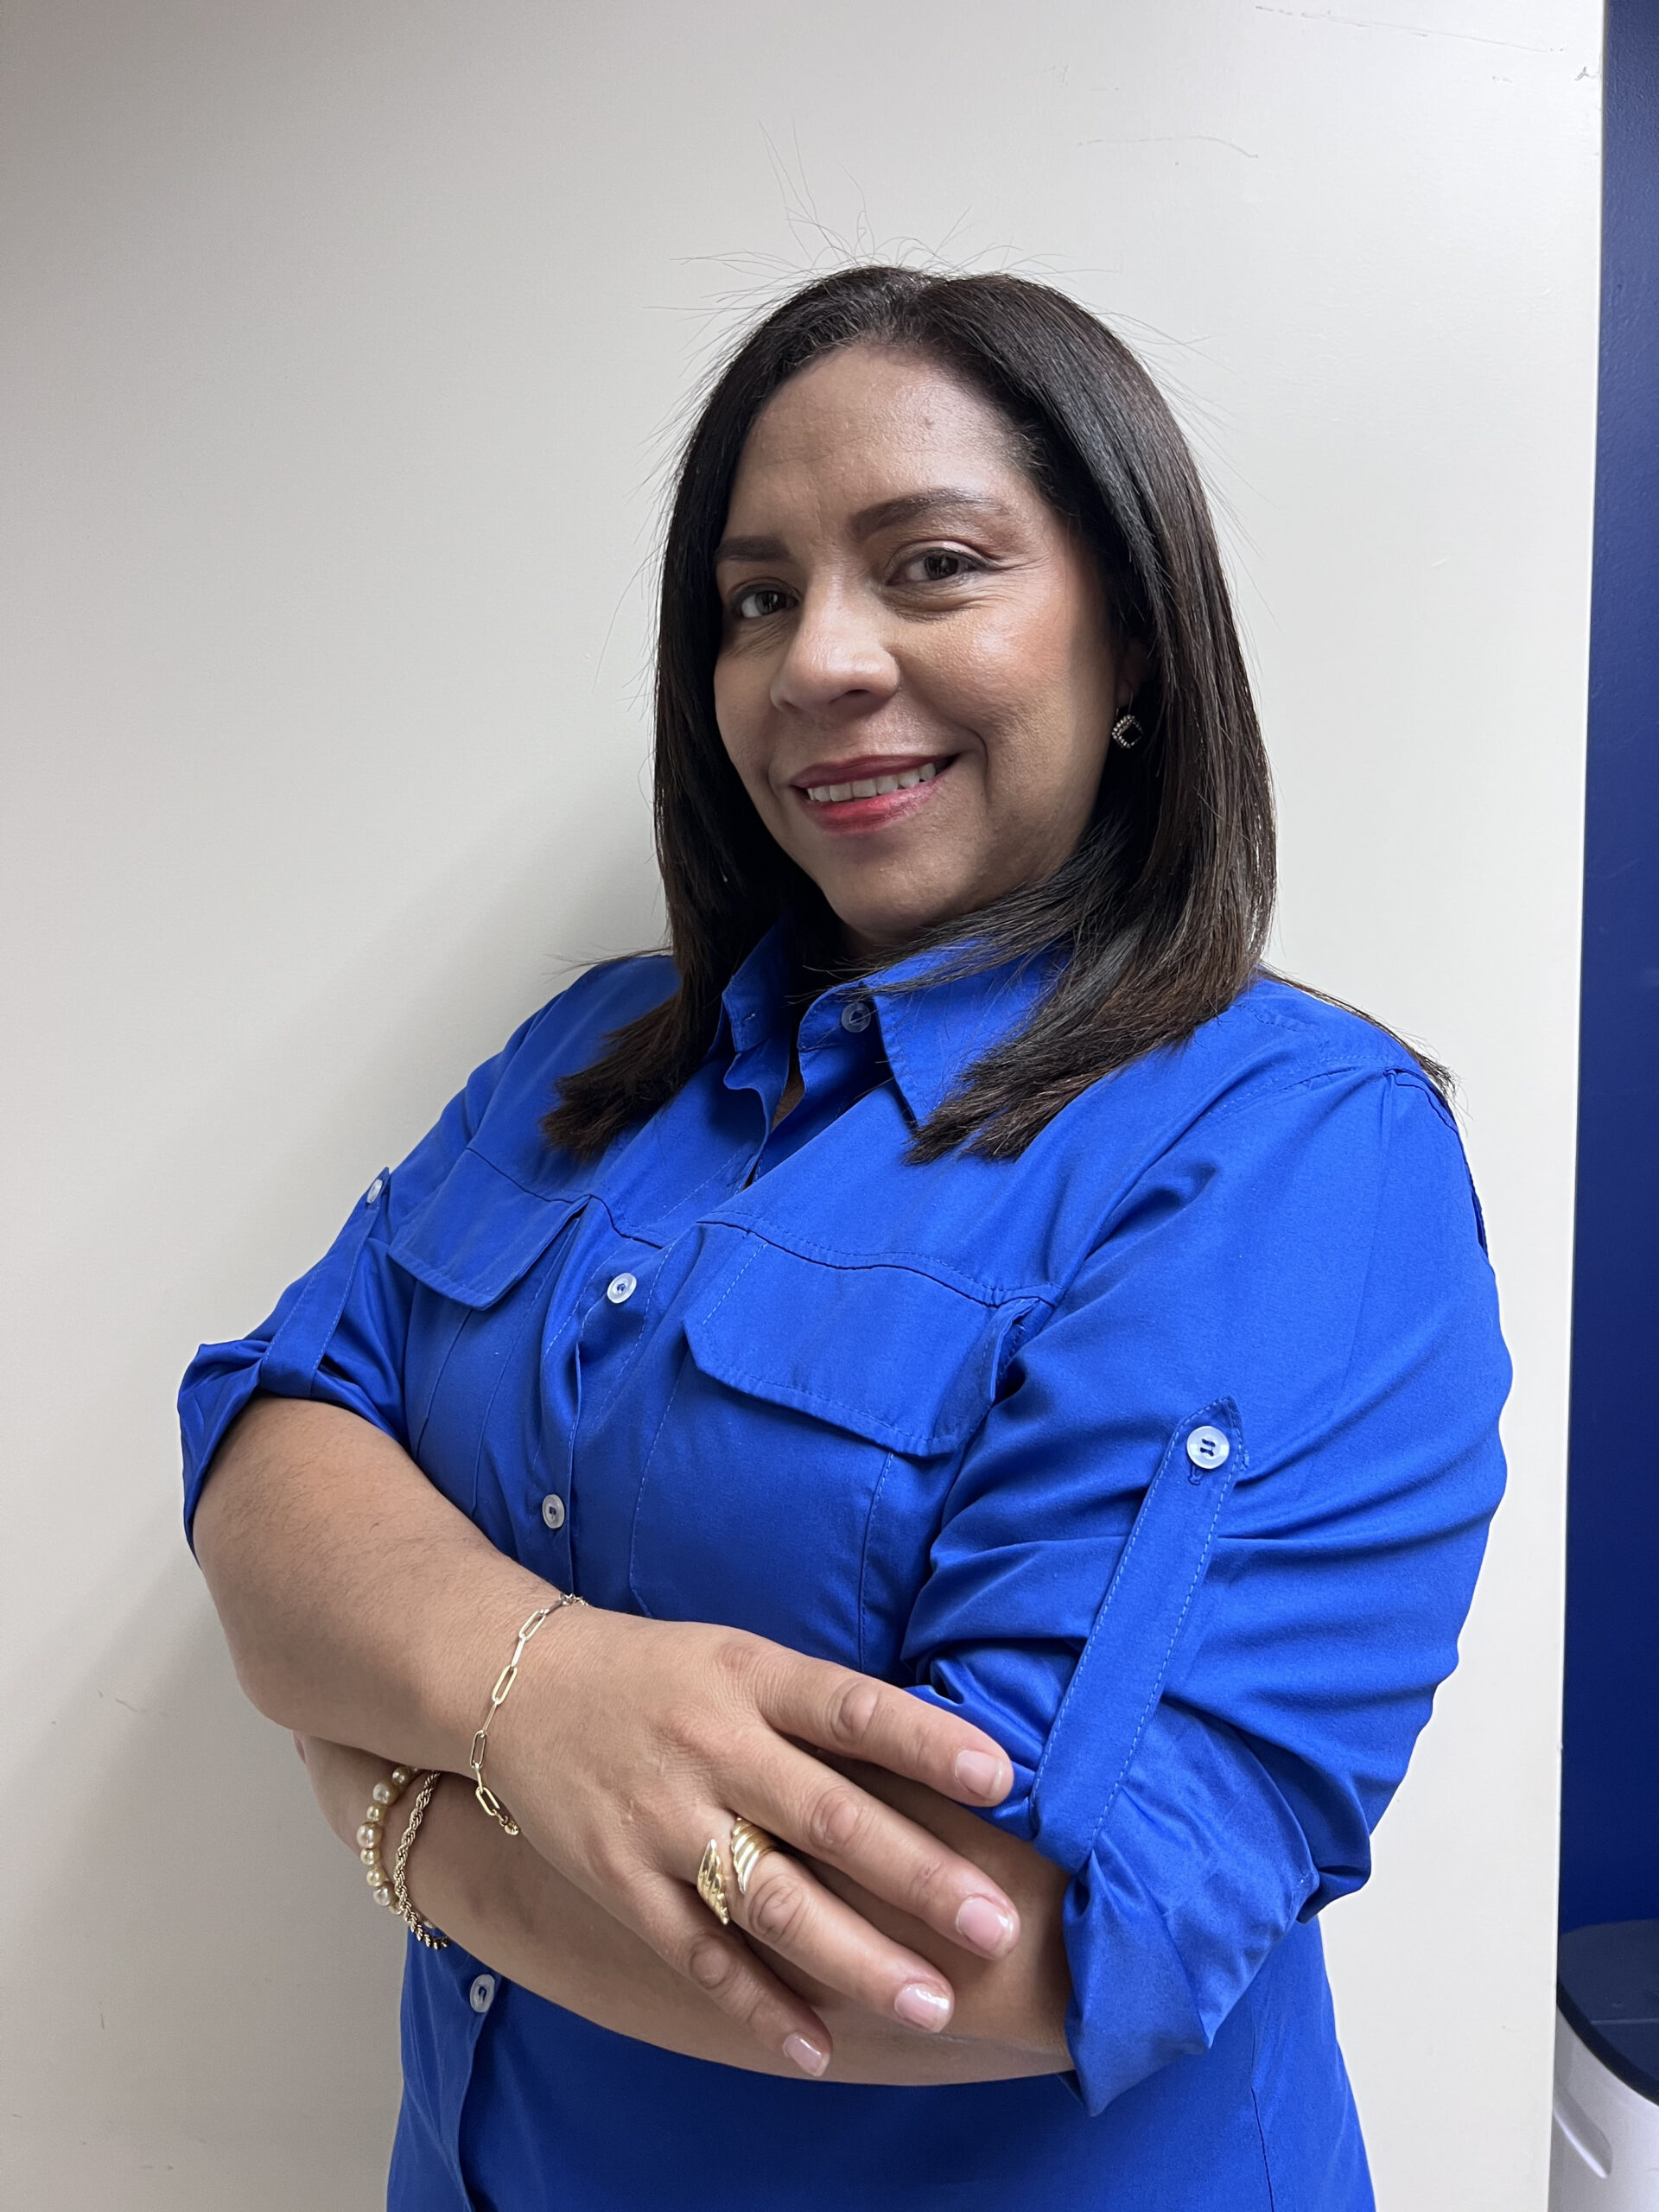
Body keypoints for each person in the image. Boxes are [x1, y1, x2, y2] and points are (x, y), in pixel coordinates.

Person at [181, 265, 1510, 2211]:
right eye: (755, 597)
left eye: (933, 565)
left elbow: (1009, 1932)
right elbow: (270, 1436)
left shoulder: (1293, 1156)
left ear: (1135, 639)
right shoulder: (591, 1058)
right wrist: (534, 1685)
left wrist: (393, 1794)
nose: (818, 661)